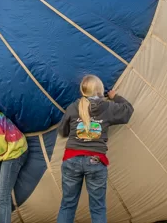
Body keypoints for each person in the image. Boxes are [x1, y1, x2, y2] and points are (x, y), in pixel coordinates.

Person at [56, 75, 134, 223]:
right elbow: (128, 110)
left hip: (71, 159)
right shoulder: (108, 107)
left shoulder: (73, 107)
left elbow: (62, 131)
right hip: (96, 161)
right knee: (98, 207)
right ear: (100, 90)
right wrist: (115, 96)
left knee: (67, 205)